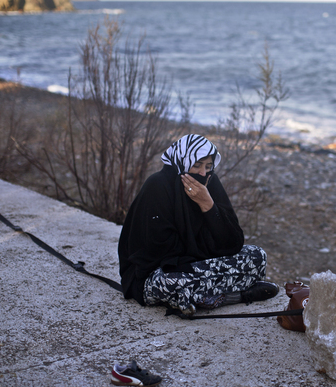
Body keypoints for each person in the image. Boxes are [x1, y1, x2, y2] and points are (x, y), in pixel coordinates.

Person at [118, 134, 278, 315]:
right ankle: (238, 295)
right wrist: (211, 255)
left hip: (197, 264)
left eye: (208, 167)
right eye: (197, 165)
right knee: (174, 282)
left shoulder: (210, 182)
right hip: (154, 275)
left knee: (258, 256)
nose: (203, 173)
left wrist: (207, 205)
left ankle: (202, 298)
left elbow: (233, 241)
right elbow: (161, 252)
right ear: (182, 163)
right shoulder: (158, 186)